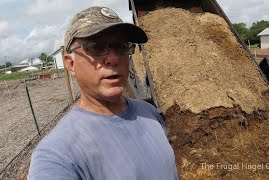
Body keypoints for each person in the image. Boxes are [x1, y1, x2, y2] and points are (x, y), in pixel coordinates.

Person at [28, 6, 179, 180]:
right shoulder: (56, 156)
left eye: (121, 46)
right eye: (96, 47)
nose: (114, 59)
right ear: (70, 64)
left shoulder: (149, 112)